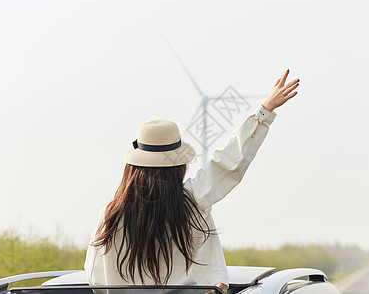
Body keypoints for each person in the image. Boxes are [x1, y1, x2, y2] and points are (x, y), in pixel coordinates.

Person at [84, 69, 300, 292]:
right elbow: (229, 163)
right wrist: (264, 112)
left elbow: (96, 278)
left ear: (133, 167)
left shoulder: (110, 216)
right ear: (179, 165)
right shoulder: (193, 201)